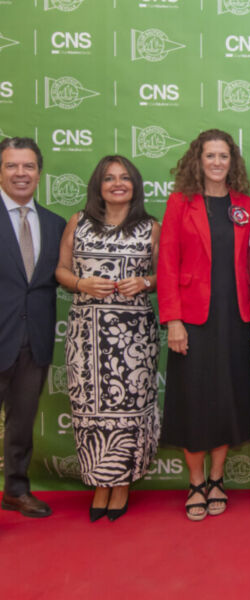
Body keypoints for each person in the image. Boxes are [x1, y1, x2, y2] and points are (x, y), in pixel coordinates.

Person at [158, 129, 250, 521]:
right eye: (210, 156)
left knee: (228, 398)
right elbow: (167, 263)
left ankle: (217, 478)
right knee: (194, 401)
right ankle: (196, 482)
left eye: (223, 156)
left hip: (234, 318)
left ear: (233, 162)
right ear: (198, 160)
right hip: (193, 320)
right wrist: (173, 320)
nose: (217, 162)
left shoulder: (245, 205)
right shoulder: (180, 203)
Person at [55, 155, 160, 522]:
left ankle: (123, 483)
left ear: (135, 185)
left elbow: (164, 275)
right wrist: (81, 283)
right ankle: (100, 482)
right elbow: (61, 270)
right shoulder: (79, 222)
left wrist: (144, 282)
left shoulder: (151, 227)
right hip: (86, 332)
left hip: (134, 337)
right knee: (89, 406)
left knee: (130, 407)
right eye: (109, 178)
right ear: (98, 186)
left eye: (125, 178)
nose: (118, 184)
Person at [0, 137, 66, 518]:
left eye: (28, 166)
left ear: (39, 173)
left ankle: (15, 490)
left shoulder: (55, 225)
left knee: (22, 423)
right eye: (12, 165)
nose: (21, 173)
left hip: (34, 342)